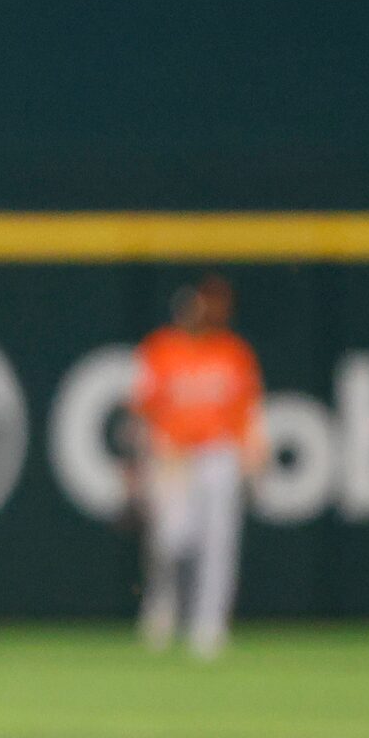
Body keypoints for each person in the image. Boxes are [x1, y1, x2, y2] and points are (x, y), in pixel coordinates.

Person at [130, 275, 266, 659]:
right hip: (174, 456)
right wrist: (150, 452)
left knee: (218, 543)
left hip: (218, 454)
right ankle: (162, 609)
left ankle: (209, 626)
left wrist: (254, 452)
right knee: (171, 540)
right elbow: (142, 408)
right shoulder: (160, 348)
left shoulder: (234, 352)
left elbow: (249, 411)